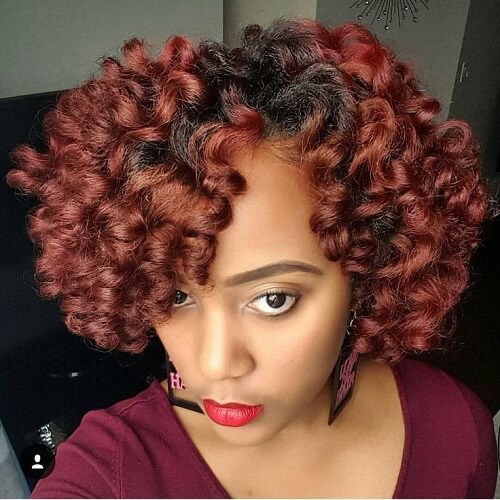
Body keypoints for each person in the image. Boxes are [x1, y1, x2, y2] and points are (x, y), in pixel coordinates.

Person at [7, 17, 498, 499]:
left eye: (273, 299)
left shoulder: (455, 433)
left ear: (364, 272)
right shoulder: (107, 477)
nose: (217, 364)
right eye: (177, 295)